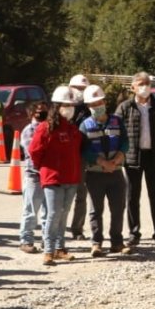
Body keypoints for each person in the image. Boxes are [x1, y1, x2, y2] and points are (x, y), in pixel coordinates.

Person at [115, 71, 155, 246]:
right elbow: (115, 133)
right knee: (132, 197)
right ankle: (134, 233)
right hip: (133, 158)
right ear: (133, 87)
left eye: (147, 83)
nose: (144, 87)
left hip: (154, 157)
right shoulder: (125, 108)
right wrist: (117, 156)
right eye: (141, 84)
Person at [27, 86, 83, 266]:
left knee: (64, 213)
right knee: (52, 214)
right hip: (53, 179)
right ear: (57, 106)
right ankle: (49, 250)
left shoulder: (72, 129)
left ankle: (60, 248)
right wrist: (43, 168)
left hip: (71, 178)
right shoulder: (45, 128)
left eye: (71, 105)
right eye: (66, 105)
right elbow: (34, 151)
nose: (70, 108)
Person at [79, 85, 131, 257]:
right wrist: (101, 161)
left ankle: (117, 242)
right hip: (95, 174)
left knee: (118, 208)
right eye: (92, 104)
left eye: (98, 102)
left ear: (105, 102)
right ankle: (96, 243)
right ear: (88, 106)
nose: (96, 106)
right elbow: (84, 150)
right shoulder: (85, 126)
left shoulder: (116, 121)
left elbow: (125, 141)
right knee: (96, 210)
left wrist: (118, 158)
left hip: (115, 172)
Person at [18, 101, 49, 253]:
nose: (42, 113)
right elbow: (34, 152)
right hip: (34, 176)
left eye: (44, 110)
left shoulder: (50, 128)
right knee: (30, 210)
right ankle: (26, 241)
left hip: (49, 176)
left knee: (48, 211)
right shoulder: (28, 131)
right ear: (31, 114)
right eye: (38, 111)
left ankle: (46, 240)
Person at [67, 74, 91, 240]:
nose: (80, 92)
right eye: (77, 88)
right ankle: (55, 228)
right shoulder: (60, 108)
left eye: (83, 89)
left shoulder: (89, 109)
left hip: (82, 156)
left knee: (81, 194)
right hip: (64, 157)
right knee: (61, 196)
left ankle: (77, 229)